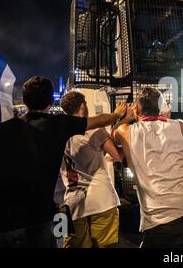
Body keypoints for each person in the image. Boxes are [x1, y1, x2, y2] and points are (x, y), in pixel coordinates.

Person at [0, 76, 127, 248]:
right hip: (38, 219)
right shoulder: (59, 127)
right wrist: (118, 115)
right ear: (49, 102)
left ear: (24, 100)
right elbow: (100, 122)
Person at [112, 87, 183, 248]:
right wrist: (164, 117)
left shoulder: (126, 131)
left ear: (137, 108)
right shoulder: (181, 126)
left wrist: (126, 117)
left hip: (163, 217)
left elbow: (113, 135)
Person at [58, 91, 123, 248]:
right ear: (83, 106)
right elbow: (117, 155)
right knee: (105, 245)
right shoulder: (94, 130)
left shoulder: (57, 132)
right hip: (102, 200)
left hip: (71, 202)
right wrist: (123, 122)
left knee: (71, 244)